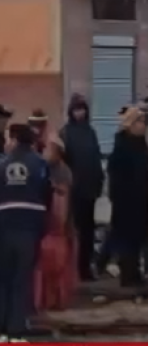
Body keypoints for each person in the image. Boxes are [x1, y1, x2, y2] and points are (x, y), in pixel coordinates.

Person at [0, 123, 52, 339]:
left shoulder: (3, 165)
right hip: (30, 225)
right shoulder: (39, 163)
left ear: (13, 139)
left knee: (4, 276)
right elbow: (46, 193)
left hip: (4, 224)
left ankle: (2, 321)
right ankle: (17, 324)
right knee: (23, 276)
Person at [107, 107, 148, 288]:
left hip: (141, 200)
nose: (143, 126)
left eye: (143, 122)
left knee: (138, 238)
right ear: (130, 124)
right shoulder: (122, 145)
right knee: (126, 238)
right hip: (126, 202)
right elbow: (116, 175)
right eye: (139, 122)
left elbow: (146, 167)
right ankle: (127, 274)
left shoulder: (141, 144)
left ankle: (136, 273)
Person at [60, 94, 103, 280]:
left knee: (88, 230)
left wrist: (99, 181)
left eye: (82, 109)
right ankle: (74, 269)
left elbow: (96, 158)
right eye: (76, 109)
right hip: (74, 190)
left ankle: (85, 268)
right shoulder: (66, 132)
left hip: (90, 189)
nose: (80, 112)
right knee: (74, 230)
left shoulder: (90, 132)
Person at [34, 137, 77, 312]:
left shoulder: (62, 172)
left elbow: (63, 202)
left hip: (57, 227)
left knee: (58, 266)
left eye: (49, 150)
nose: (45, 153)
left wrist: (60, 225)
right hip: (48, 226)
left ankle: (57, 299)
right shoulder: (43, 169)